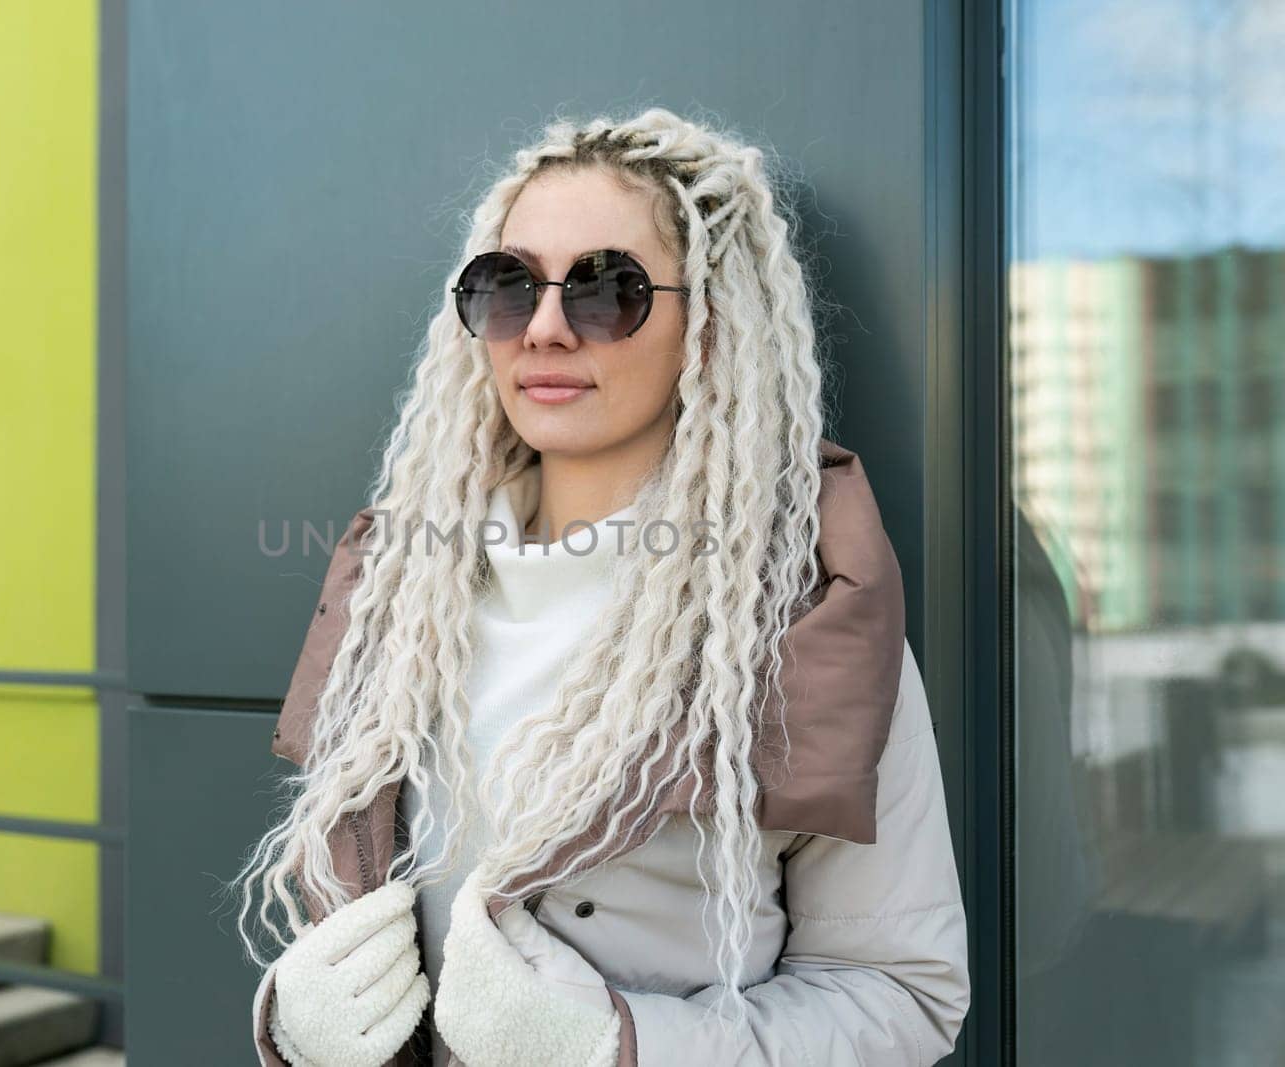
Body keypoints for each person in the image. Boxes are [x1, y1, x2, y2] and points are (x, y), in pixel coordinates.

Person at [232, 106, 970, 1066]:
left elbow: (903, 996)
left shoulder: (803, 621)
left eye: (607, 291)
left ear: (707, 328)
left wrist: (612, 1049)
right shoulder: (396, 593)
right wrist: (291, 1020)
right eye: (508, 286)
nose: (543, 329)